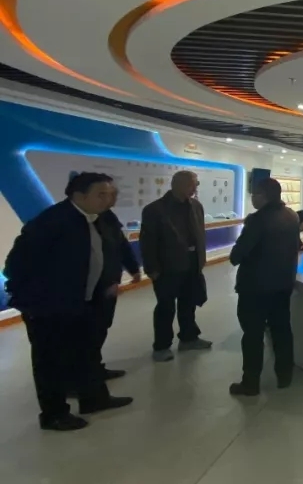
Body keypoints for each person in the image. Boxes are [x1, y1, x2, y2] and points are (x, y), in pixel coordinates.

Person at [3, 172, 134, 431]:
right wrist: (35, 299)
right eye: (101, 194)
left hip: (85, 302)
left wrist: (110, 280)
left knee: (87, 352)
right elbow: (15, 266)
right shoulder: (52, 222)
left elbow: (108, 252)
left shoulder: (101, 218)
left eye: (111, 194)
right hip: (49, 306)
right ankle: (54, 414)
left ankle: (94, 398)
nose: (108, 199)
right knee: (51, 362)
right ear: (79, 196)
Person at [228, 178, 300, 396]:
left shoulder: (257, 220)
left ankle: (250, 382)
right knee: (282, 330)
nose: (252, 198)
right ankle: (285, 375)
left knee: (252, 335)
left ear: (264, 196)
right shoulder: (291, 216)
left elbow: (237, 255)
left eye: (255, 194)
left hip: (255, 287)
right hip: (282, 285)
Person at [140, 170, 212, 362]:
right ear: (177, 184)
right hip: (167, 267)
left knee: (188, 304)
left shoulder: (196, 206)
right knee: (166, 307)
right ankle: (161, 346)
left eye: (196, 184)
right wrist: (152, 269)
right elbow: (148, 242)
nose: (195, 188)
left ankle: (189, 338)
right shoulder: (155, 210)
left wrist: (200, 260)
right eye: (192, 184)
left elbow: (199, 233)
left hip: (192, 264)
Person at [93, 176, 142, 380]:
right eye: (105, 194)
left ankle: (94, 368)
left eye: (113, 194)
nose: (112, 198)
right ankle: (79, 378)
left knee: (99, 329)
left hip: (107, 287)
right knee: (84, 334)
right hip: (88, 291)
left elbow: (120, 245)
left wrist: (133, 269)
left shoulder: (107, 217)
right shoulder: (73, 222)